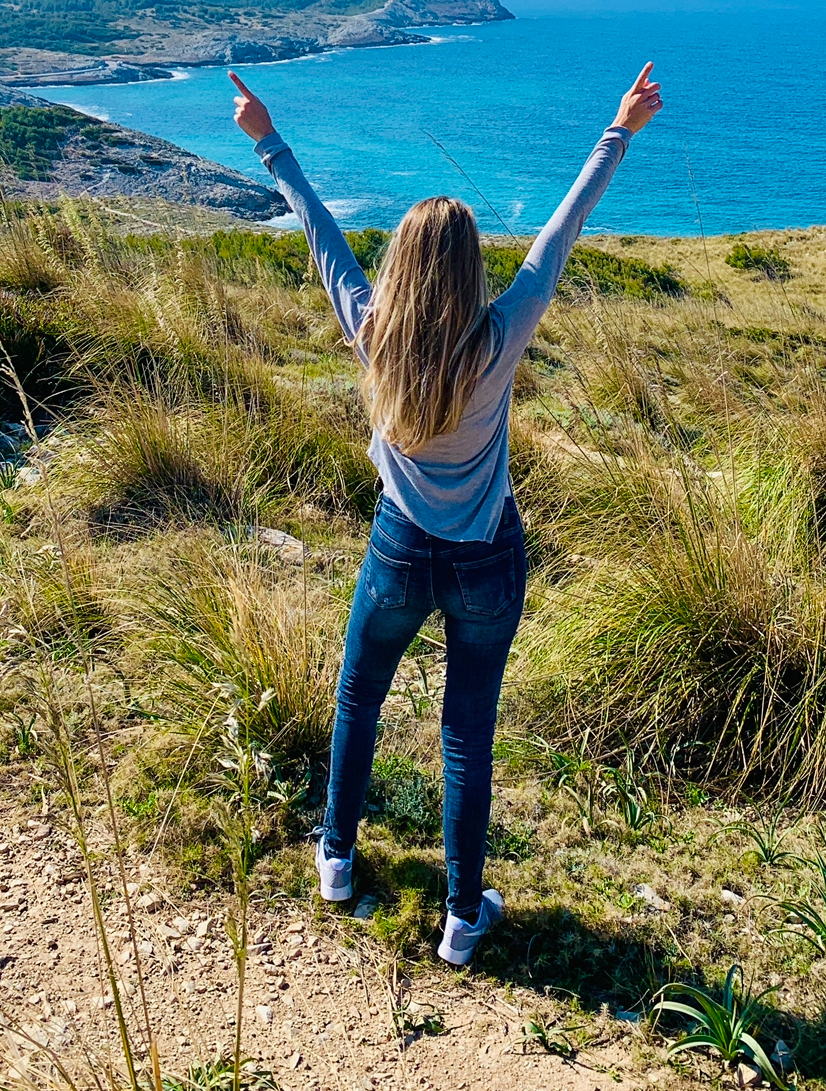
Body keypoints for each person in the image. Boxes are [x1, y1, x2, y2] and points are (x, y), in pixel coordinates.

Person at [228, 62, 663, 966]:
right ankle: (463, 919)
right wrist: (617, 129)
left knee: (358, 697)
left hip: (396, 548)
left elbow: (317, 233)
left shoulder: (369, 326)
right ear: (467, 273)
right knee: (465, 732)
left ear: (400, 267)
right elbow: (561, 230)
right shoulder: (500, 336)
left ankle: (337, 863)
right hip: (484, 560)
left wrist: (266, 138)